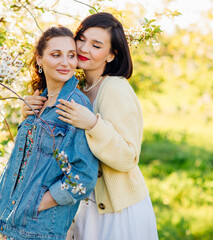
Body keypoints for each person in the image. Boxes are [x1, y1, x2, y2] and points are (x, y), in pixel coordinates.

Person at [21, 13, 158, 240]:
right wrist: (28, 113)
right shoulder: (75, 86)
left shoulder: (115, 89)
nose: (84, 49)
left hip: (115, 211)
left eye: (96, 45)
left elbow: (128, 157)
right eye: (81, 39)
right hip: (79, 205)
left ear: (112, 55)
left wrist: (93, 125)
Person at [0, 26, 99, 240]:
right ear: (39, 59)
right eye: (56, 55)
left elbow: (83, 176)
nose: (65, 62)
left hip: (41, 229)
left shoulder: (75, 106)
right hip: (11, 222)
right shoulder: (38, 102)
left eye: (71, 55)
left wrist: (34, 202)